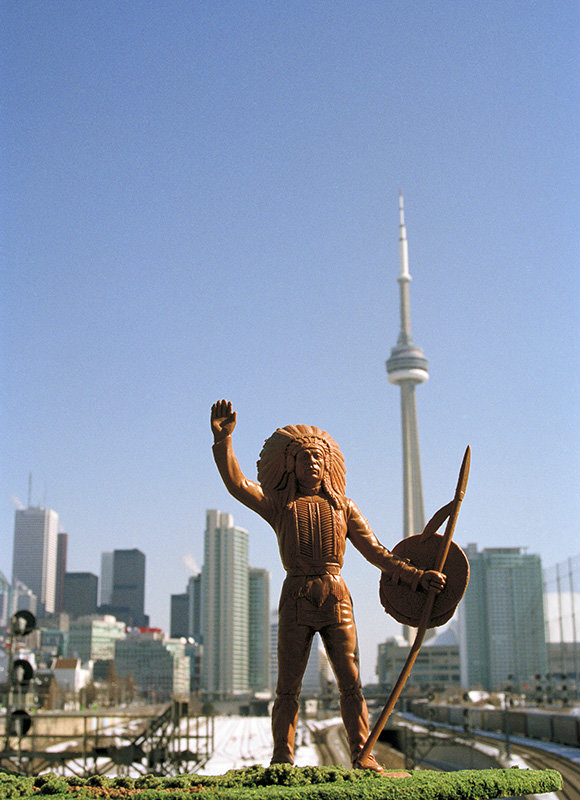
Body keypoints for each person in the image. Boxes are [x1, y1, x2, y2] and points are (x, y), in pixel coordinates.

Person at [210, 399, 446, 771]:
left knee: (350, 681)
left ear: (328, 465)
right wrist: (223, 442)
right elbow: (238, 484)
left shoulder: (344, 508)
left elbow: (379, 554)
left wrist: (417, 577)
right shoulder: (279, 505)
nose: (313, 464)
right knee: (288, 686)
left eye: (319, 458)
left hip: (336, 597)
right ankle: (282, 756)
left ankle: (361, 753)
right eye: (305, 459)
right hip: (297, 596)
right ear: (292, 466)